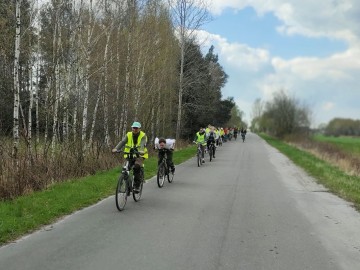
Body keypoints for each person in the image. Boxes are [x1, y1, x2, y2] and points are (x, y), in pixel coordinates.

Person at [112, 121, 148, 192]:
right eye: (133, 128)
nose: (134, 129)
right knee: (125, 169)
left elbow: (142, 144)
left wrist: (141, 150)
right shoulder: (128, 134)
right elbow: (122, 142)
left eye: (136, 128)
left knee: (136, 167)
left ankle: (137, 186)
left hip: (139, 155)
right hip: (129, 154)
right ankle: (126, 185)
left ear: (139, 129)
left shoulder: (143, 135)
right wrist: (116, 148)